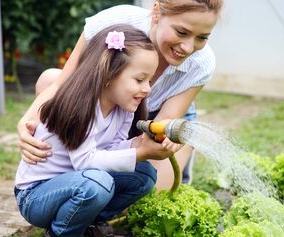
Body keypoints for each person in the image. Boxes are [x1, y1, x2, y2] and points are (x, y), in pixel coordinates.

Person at [17, 0, 223, 189]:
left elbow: (160, 127)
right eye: (181, 32)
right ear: (157, 12)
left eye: (202, 37)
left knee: (149, 192)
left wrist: (163, 142)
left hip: (157, 114)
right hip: (111, 107)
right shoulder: (115, 22)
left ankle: (183, 168)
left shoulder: (201, 63)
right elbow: (61, 85)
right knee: (50, 78)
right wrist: (26, 122)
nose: (188, 47)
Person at [14, 24, 181, 237]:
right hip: (36, 196)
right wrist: (140, 153)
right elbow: (85, 161)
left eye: (149, 80)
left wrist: (136, 144)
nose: (147, 88)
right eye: (140, 79)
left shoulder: (124, 108)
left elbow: (110, 149)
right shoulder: (80, 105)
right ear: (109, 74)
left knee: (144, 175)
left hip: (79, 182)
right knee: (98, 184)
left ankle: (86, 225)